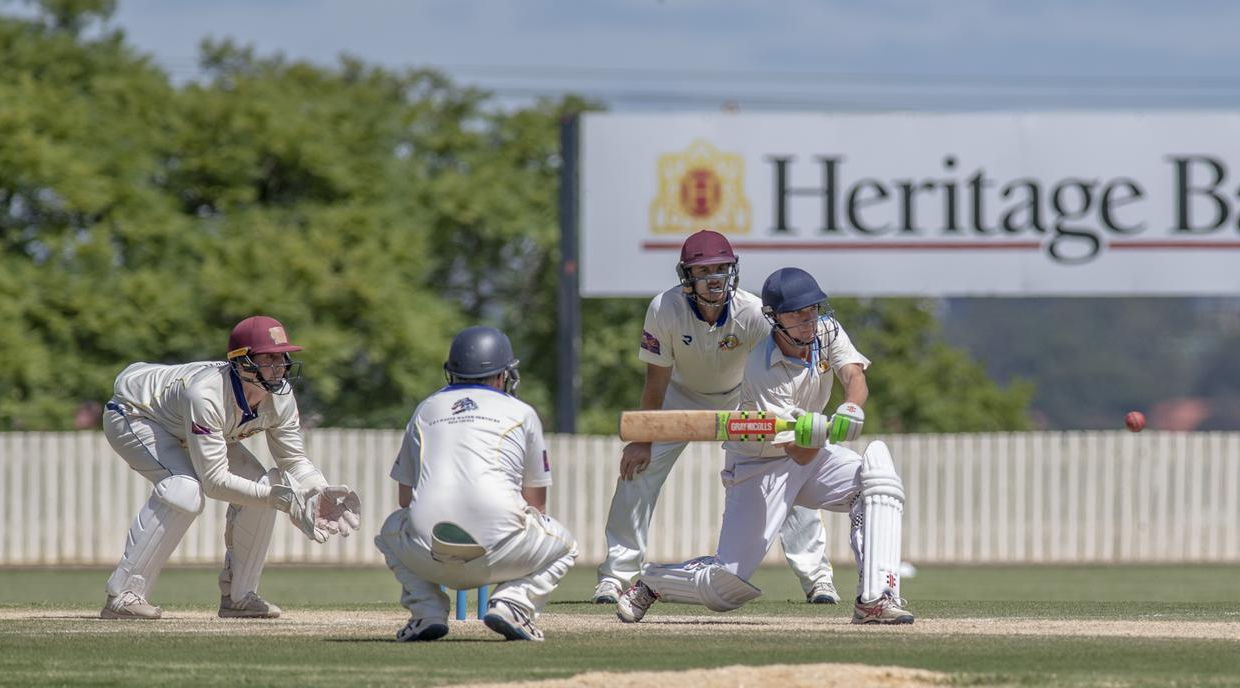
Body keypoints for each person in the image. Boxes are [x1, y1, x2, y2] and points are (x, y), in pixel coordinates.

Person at [615, 267, 914, 625]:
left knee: (877, 481)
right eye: (797, 314)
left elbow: (854, 374)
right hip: (761, 467)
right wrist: (821, 434)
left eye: (812, 310)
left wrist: (850, 406)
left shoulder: (826, 331)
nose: (808, 321)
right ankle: (652, 582)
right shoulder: (761, 370)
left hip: (813, 455)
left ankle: (876, 598)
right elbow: (796, 452)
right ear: (773, 318)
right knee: (724, 587)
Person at [592, 230, 839, 606]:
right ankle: (615, 576)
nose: (714, 278)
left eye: (722, 268)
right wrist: (642, 437)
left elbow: (777, 370)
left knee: (787, 466)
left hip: (745, 398)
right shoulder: (664, 309)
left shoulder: (754, 313)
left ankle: (817, 577)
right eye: (704, 270)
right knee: (636, 472)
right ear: (686, 277)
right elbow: (656, 379)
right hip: (681, 397)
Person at [99, 315, 361, 620]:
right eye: (268, 358)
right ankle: (123, 595)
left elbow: (292, 461)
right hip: (135, 415)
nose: (279, 367)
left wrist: (317, 490)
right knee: (184, 491)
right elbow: (214, 482)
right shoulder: (207, 394)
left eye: (282, 357)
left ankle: (239, 596)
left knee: (260, 484)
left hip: (190, 424)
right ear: (242, 362)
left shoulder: (281, 396)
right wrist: (282, 498)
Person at [375, 326, 577, 642]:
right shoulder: (522, 412)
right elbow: (536, 504)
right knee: (566, 545)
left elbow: (405, 499)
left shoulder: (426, 409)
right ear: (502, 375)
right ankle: (514, 602)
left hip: (429, 554)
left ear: (451, 372)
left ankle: (426, 611)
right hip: (501, 556)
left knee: (389, 532)